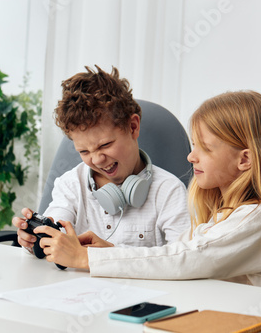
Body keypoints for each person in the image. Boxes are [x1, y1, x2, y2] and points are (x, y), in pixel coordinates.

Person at [33, 90, 261, 290]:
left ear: (244, 160)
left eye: (204, 148)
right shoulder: (223, 214)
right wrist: (107, 251)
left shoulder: (256, 218)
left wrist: (89, 258)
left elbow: (183, 259)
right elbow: (180, 254)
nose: (191, 157)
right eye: (193, 145)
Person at [12, 65, 189, 251]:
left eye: (104, 145)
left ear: (133, 127)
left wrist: (109, 253)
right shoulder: (70, 185)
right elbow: (55, 227)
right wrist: (35, 240)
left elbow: (183, 258)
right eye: (84, 152)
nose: (96, 160)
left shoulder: (169, 192)